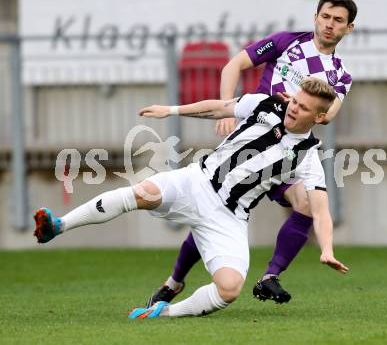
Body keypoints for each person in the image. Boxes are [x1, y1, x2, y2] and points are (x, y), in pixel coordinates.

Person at [34, 77, 349, 319]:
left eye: (304, 108)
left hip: (229, 216)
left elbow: (320, 212)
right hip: (197, 181)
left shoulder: (307, 157)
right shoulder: (265, 105)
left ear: (319, 117)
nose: (294, 108)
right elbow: (218, 107)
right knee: (143, 192)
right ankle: (58, 226)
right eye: (295, 100)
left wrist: (327, 249)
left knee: (230, 288)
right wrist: (170, 111)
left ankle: (164, 313)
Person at [147, 0, 357, 306]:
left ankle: (270, 277)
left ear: (348, 28)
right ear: (316, 16)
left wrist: (308, 107)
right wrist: (227, 109)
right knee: (215, 209)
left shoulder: (340, 76)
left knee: (306, 205)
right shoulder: (287, 42)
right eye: (325, 16)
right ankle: (174, 282)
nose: (329, 24)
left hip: (288, 153)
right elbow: (235, 65)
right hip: (254, 140)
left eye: (338, 20)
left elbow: (329, 115)